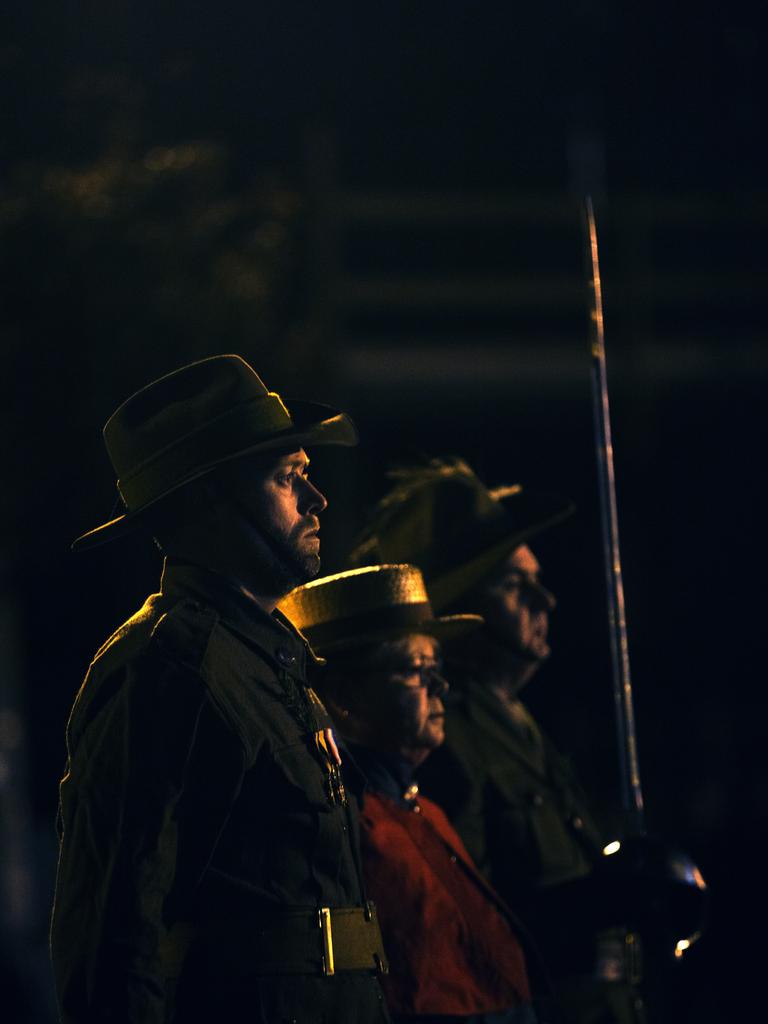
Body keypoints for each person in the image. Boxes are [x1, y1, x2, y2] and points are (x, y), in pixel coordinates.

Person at [50, 355, 390, 1024]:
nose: (315, 499)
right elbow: (115, 930)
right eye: (287, 477)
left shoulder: (272, 658)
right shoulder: (166, 666)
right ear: (210, 498)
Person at [348, 459, 646, 1024]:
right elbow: (462, 925)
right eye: (514, 584)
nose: (546, 600)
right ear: (460, 610)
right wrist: (601, 901)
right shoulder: (443, 736)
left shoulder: (518, 724)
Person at [280, 562, 542, 1024]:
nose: (439, 685)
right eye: (415, 668)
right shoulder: (348, 826)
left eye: (436, 666)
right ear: (344, 696)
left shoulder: (426, 812)